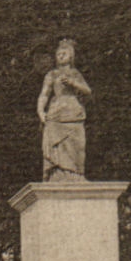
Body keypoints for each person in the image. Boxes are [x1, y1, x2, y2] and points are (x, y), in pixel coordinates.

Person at [37, 38, 91, 182]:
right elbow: (44, 94)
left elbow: (87, 90)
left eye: (64, 53)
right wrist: (41, 111)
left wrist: (73, 83)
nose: (60, 56)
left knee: (76, 144)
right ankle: (57, 173)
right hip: (56, 112)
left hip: (74, 111)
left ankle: (76, 174)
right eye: (59, 53)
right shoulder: (52, 75)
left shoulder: (75, 74)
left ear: (71, 56)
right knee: (56, 144)